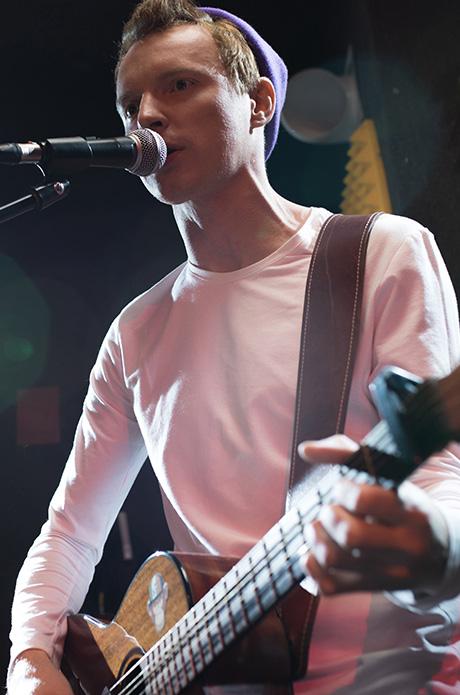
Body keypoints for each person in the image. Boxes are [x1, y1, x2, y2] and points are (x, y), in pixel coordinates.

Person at [7, 1, 460, 693]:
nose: (147, 115)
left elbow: (441, 471)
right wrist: (30, 658)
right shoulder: (136, 332)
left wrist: (436, 543)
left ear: (259, 103)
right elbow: (70, 531)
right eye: (130, 104)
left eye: (180, 85)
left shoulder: (378, 253)